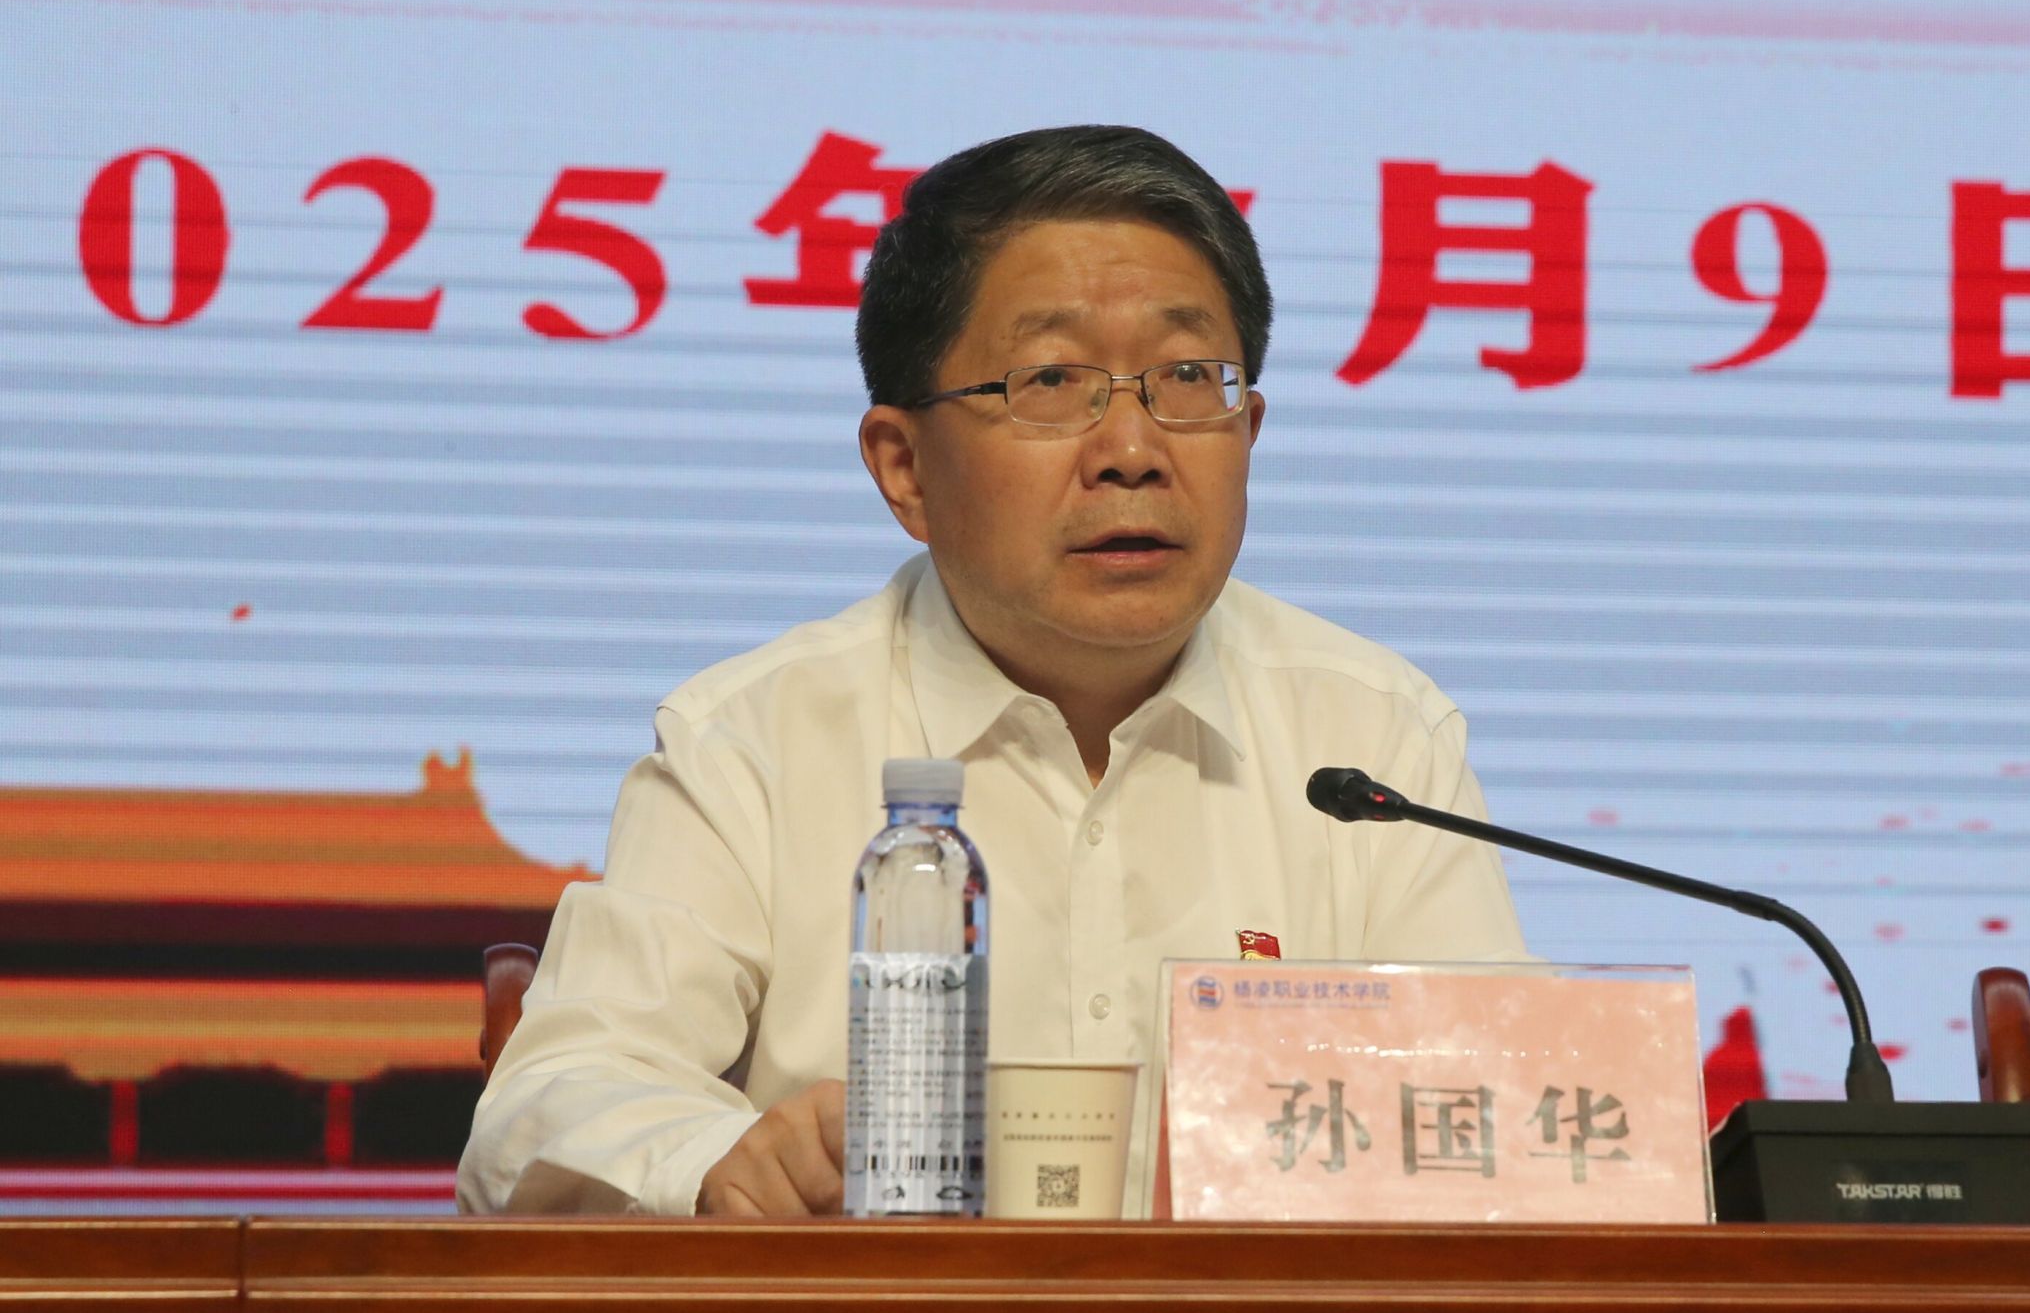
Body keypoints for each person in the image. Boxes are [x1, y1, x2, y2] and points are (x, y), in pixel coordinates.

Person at [457, 125, 1529, 1218]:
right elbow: (555, 1098)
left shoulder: (1374, 740)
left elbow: (1503, 1126)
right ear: (905, 468)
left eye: (1185, 378)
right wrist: (719, 1162)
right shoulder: (756, 742)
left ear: (1248, 428)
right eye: (1050, 379)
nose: (1132, 450)